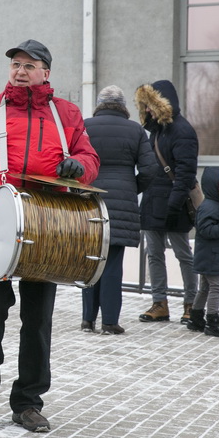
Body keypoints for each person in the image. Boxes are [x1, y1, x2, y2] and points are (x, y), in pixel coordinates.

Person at [0, 39, 99, 432]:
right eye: (16, 64)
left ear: (46, 73)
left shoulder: (67, 113)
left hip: (47, 227)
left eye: (29, 65)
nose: (20, 71)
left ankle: (28, 402)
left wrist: (80, 166)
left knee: (38, 319)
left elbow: (90, 157)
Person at [81, 85, 158, 334]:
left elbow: (74, 162)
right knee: (112, 263)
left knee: (90, 260)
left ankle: (87, 320)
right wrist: (132, 188)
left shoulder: (86, 126)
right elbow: (150, 169)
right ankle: (110, 322)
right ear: (123, 106)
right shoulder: (135, 130)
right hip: (121, 203)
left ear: (99, 104)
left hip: (90, 201)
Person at [135, 80, 199, 324]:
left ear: (162, 103)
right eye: (145, 106)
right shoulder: (157, 130)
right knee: (154, 254)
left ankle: (191, 304)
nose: (147, 110)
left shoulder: (183, 131)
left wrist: (174, 204)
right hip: (153, 202)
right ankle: (159, 303)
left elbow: (185, 173)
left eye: (150, 105)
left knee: (183, 255)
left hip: (175, 204)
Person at [186, 167, 219, 337]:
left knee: (205, 287)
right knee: (216, 286)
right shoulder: (211, 206)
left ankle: (196, 318)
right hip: (212, 254)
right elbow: (206, 230)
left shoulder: (216, 204)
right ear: (216, 188)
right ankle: (213, 321)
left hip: (210, 254)